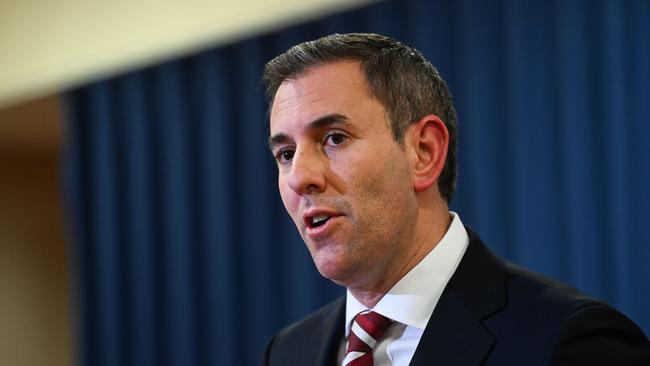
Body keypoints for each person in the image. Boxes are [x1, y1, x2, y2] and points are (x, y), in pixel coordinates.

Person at [261, 33, 650, 365]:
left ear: (424, 152)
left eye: (334, 139)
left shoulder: (568, 342)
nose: (299, 178)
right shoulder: (288, 352)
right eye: (286, 154)